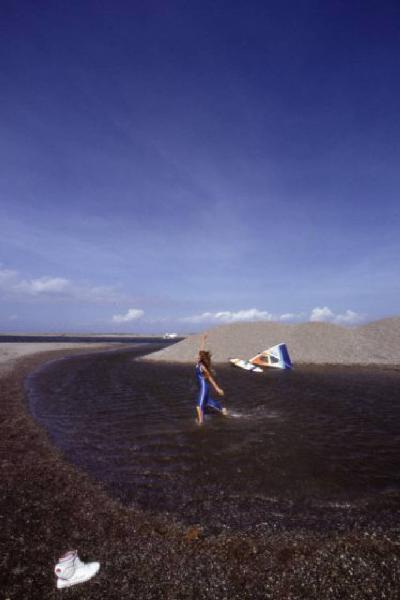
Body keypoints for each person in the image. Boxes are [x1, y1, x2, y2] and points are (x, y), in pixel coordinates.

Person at [195, 334, 227, 424]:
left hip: (204, 387)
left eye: (198, 356)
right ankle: (222, 408)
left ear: (201, 358)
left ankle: (200, 422)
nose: (196, 356)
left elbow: (210, 378)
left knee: (199, 406)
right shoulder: (198, 363)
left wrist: (217, 388)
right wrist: (203, 340)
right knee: (207, 401)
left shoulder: (202, 367)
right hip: (202, 387)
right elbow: (200, 350)